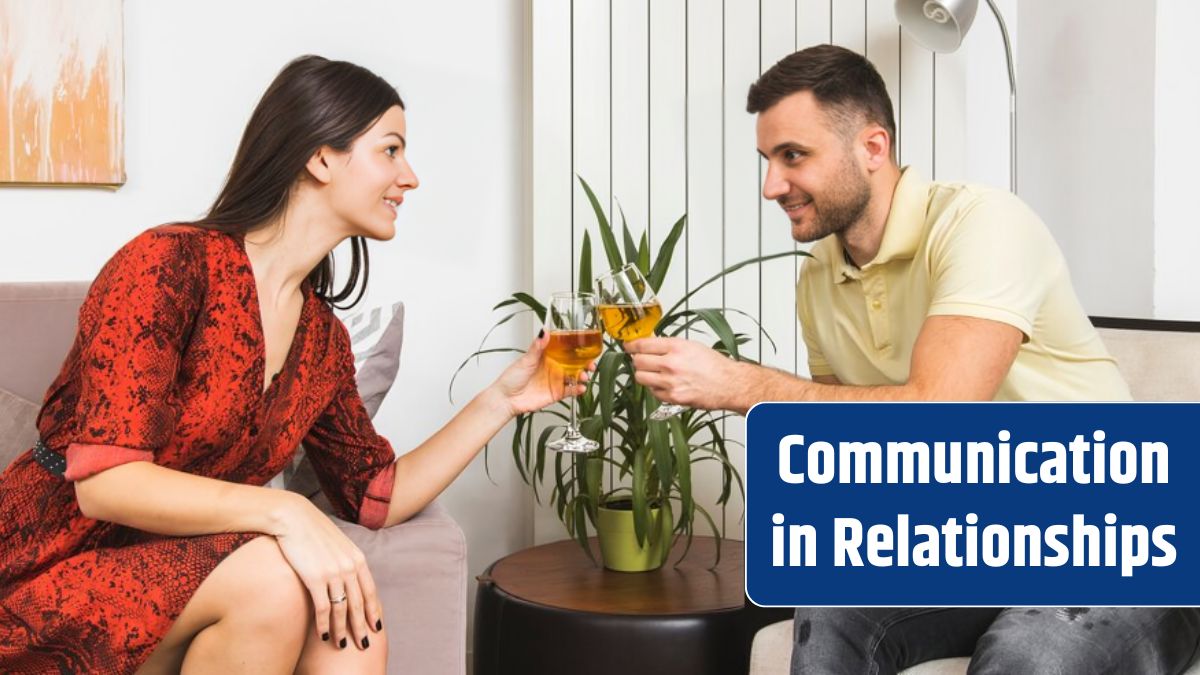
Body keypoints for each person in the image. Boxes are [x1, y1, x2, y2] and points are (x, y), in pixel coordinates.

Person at [623, 44, 1200, 674]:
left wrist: (737, 384)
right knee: (829, 611)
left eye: (793, 156)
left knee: (1026, 654)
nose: (771, 186)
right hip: (976, 544)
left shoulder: (982, 224)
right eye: (767, 160)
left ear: (873, 148)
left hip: (1118, 540)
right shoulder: (819, 279)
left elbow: (940, 410)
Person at [0, 55, 583, 674]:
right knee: (276, 580)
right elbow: (105, 484)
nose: (409, 177)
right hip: (42, 570)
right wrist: (287, 512)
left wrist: (502, 400)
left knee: (354, 629)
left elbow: (374, 497)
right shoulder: (168, 264)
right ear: (321, 157)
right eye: (390, 150)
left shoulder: (321, 338)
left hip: (186, 580)